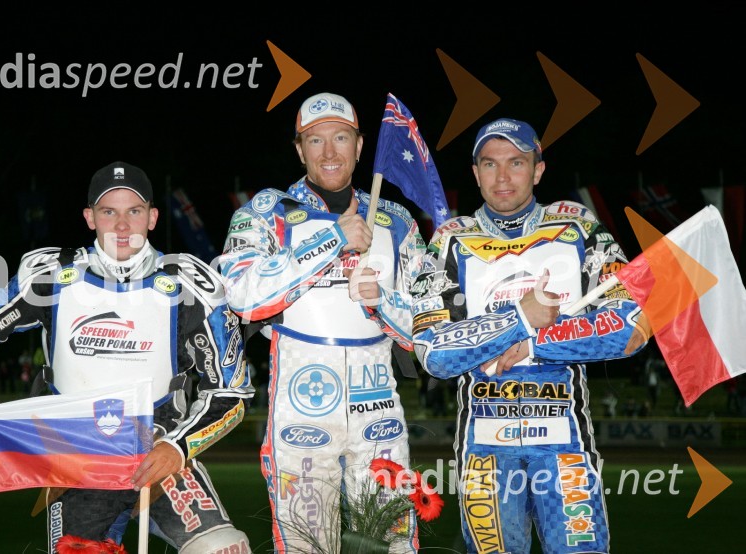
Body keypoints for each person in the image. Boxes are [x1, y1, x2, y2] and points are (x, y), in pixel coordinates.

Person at [0, 161, 253, 554]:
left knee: (224, 549)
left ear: (152, 218)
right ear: (89, 217)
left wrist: (178, 447)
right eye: (109, 212)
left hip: (160, 446)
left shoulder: (191, 285)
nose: (122, 226)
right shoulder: (51, 273)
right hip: (75, 454)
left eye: (134, 212)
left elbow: (231, 392)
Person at [411, 119, 650, 554]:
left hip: (564, 448)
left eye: (516, 163)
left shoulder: (577, 226)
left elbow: (633, 325)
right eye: (490, 164)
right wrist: (519, 320)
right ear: (475, 173)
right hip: (485, 448)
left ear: (538, 169)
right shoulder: (450, 239)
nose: (503, 177)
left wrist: (536, 342)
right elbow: (431, 351)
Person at [218, 92, 425, 553]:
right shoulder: (265, 212)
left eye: (340, 138)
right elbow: (240, 295)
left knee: (392, 543)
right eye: (316, 140)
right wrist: (331, 240)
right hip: (300, 401)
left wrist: (384, 303)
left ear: (359, 145)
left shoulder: (397, 220)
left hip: (379, 406)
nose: (329, 152)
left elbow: (430, 329)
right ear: (299, 149)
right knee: (305, 544)